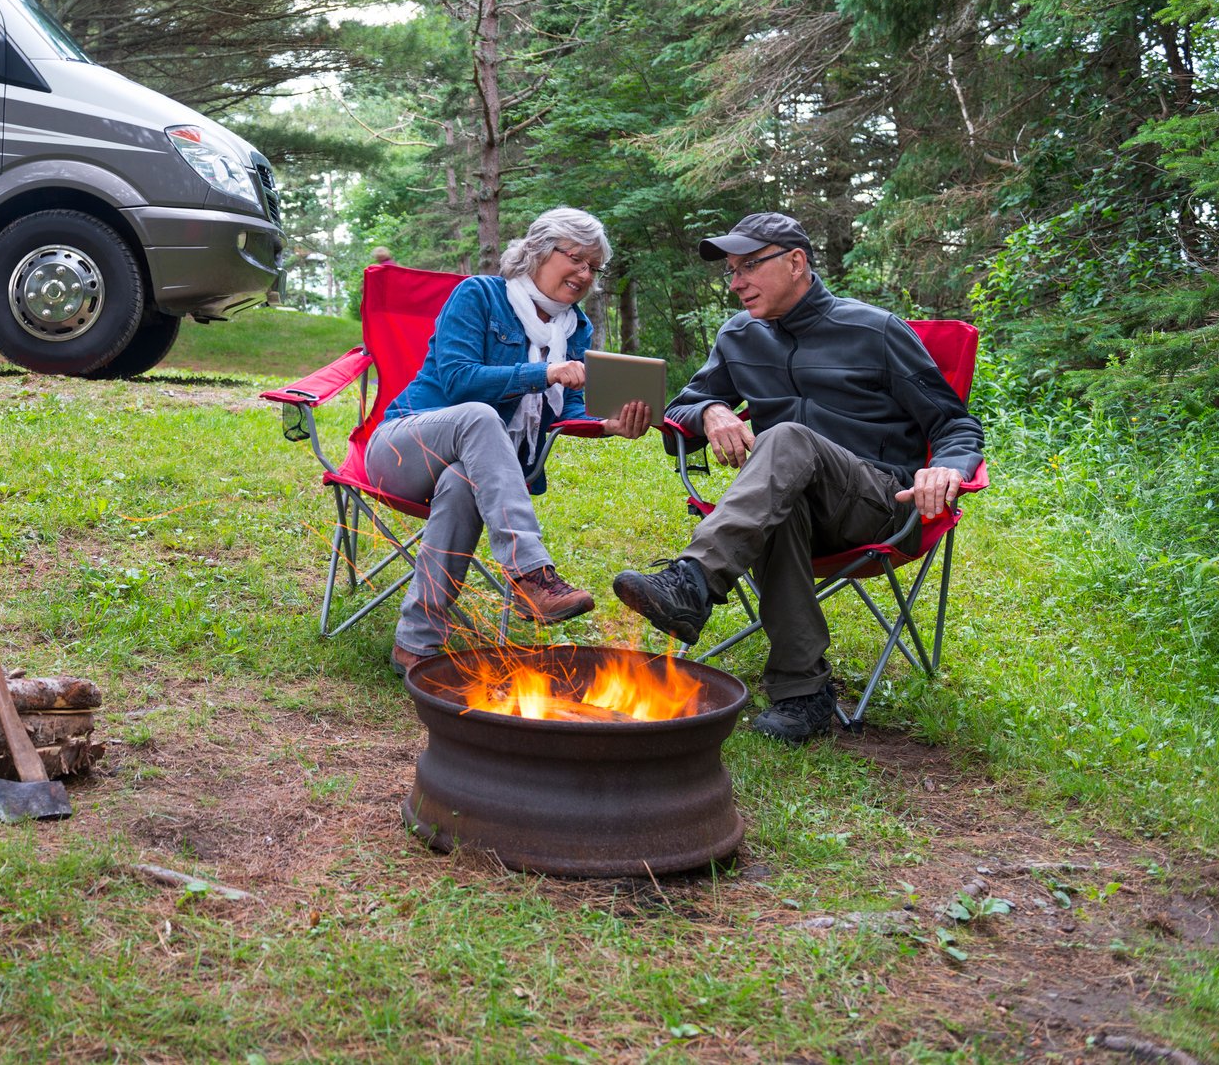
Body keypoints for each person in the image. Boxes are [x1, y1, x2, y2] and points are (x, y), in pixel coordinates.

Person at [609, 212, 983, 742]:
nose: (736, 282)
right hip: (782, 502)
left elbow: (954, 423)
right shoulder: (739, 335)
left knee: (783, 437)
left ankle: (692, 582)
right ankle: (802, 694)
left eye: (748, 267)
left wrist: (946, 468)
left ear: (796, 262)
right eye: (731, 272)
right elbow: (683, 408)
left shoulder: (874, 330)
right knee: (781, 500)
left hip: (877, 505)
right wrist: (712, 409)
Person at [369, 208, 651, 677]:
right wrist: (544, 372)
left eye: (593, 268)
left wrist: (609, 425)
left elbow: (572, 410)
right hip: (403, 446)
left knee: (463, 483)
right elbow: (457, 380)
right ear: (539, 251)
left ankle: (415, 643)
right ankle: (530, 574)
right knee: (481, 416)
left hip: (473, 469)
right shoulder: (478, 295)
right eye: (576, 259)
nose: (584, 274)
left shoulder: (574, 328)